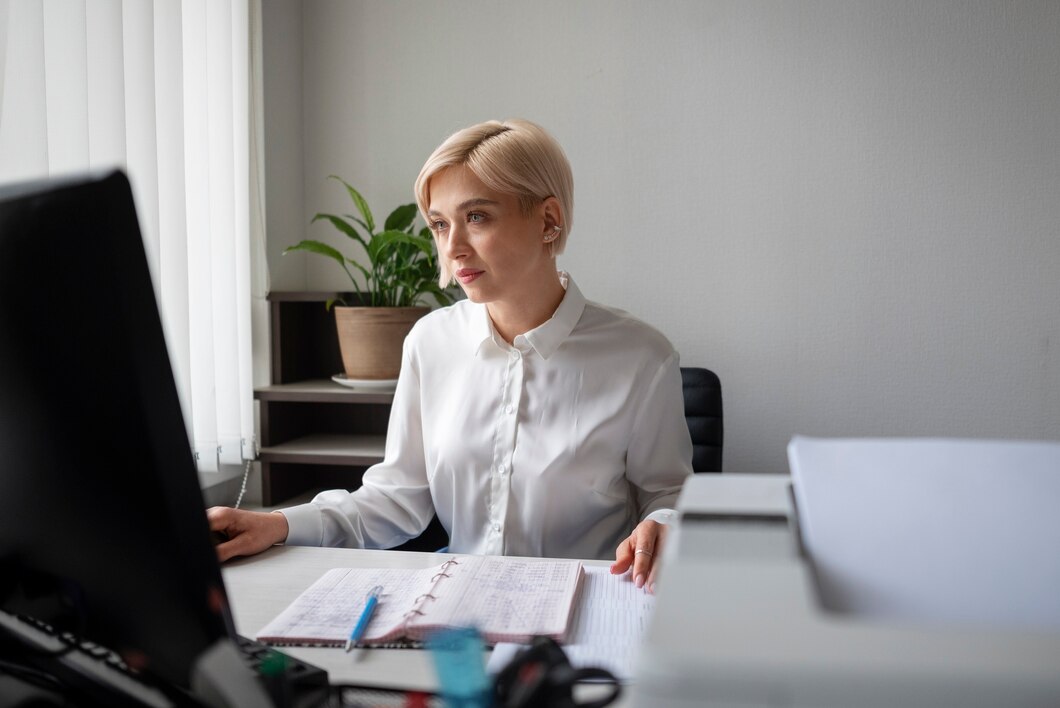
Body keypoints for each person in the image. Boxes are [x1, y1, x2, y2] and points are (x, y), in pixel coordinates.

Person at [207, 119, 692, 593]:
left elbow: (669, 494)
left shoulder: (641, 357)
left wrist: (665, 522)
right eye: (440, 224)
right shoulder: (429, 341)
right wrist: (277, 524)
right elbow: (397, 501)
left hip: (589, 605)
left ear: (548, 219)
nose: (452, 248)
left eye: (476, 217)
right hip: (458, 603)